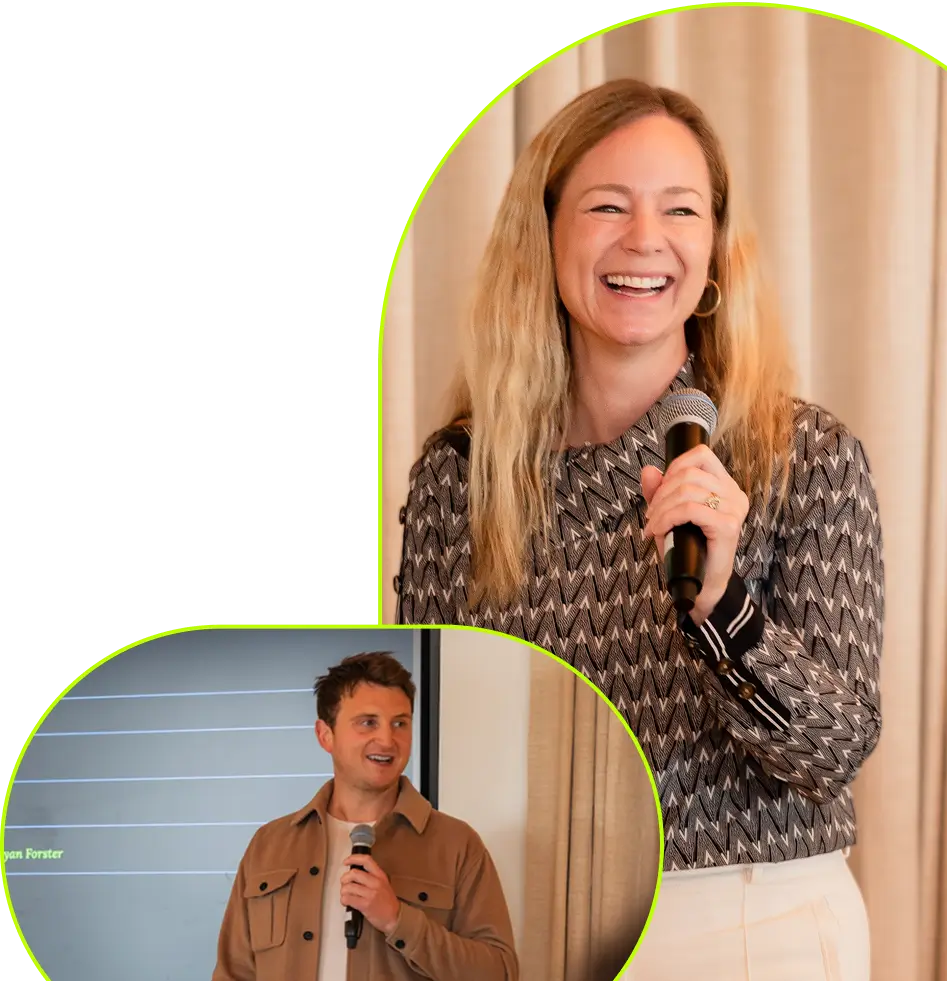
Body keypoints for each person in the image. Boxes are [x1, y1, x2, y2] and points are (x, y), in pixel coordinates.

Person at [395, 78, 883, 981]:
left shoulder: (802, 455)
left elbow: (834, 749)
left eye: (680, 209)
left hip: (757, 923)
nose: (644, 239)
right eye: (606, 205)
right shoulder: (461, 477)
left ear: (713, 247)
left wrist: (722, 607)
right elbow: (433, 735)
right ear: (544, 235)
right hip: (533, 921)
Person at [212, 652, 518, 981]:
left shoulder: (457, 845)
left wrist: (397, 920)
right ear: (325, 735)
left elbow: (500, 973)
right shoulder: (269, 844)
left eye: (400, 723)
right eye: (368, 722)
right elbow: (232, 973)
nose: (387, 740)